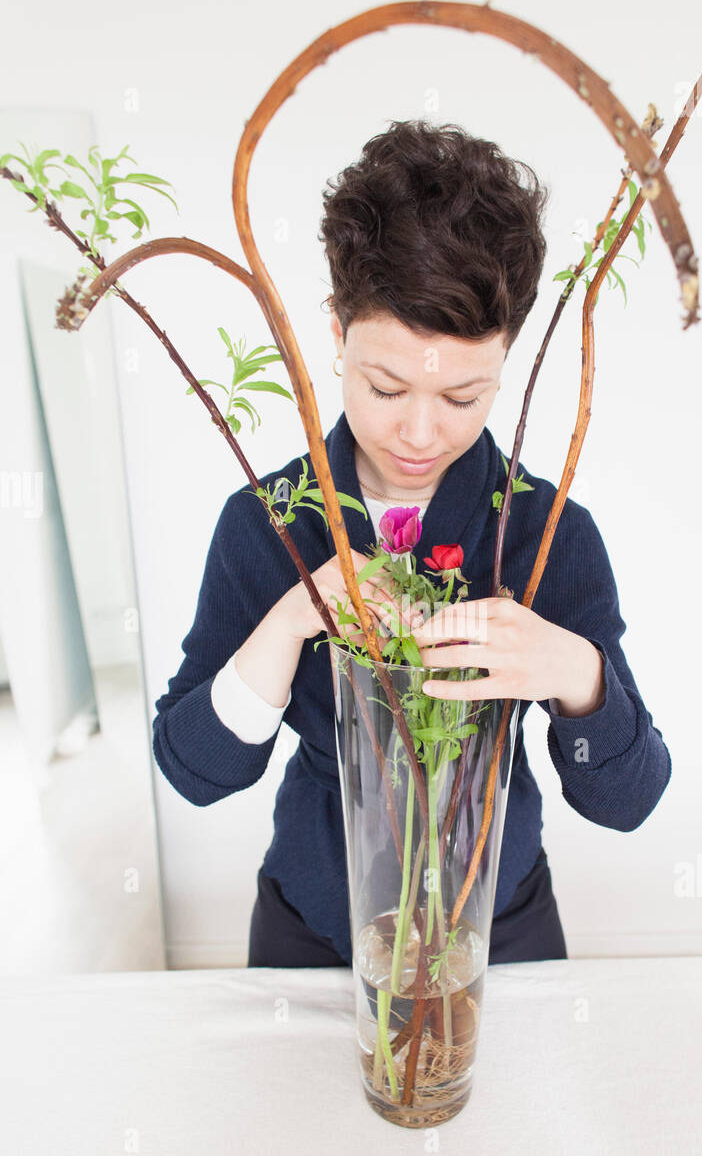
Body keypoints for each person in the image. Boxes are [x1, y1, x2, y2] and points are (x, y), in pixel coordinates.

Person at [152, 119, 671, 969]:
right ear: (335, 329)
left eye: (465, 397)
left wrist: (578, 677)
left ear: (507, 361)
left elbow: (629, 801)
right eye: (386, 386)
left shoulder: (549, 534)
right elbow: (194, 773)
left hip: (499, 923)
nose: (421, 433)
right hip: (314, 922)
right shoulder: (267, 522)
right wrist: (286, 625)